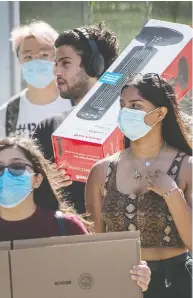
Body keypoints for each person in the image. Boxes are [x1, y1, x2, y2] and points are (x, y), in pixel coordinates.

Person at [85, 73, 192, 298]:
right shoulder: (101, 171)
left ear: (161, 113)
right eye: (122, 105)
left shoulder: (186, 166)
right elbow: (93, 246)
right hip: (122, 280)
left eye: (136, 105)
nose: (126, 112)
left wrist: (172, 194)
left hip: (177, 282)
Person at [0, 137, 151, 293]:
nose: (6, 175)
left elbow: (97, 281)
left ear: (37, 180)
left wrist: (135, 276)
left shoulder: (66, 228)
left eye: (17, 167)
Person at [33, 22, 119, 213]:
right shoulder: (48, 128)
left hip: (124, 238)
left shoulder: (128, 123)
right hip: (70, 237)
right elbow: (29, 194)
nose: (57, 72)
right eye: (56, 64)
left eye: (65, 63)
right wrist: (45, 185)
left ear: (94, 65)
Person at [0, 21, 73, 139]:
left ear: (57, 57)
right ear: (19, 61)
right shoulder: (7, 115)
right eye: (28, 57)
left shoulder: (76, 104)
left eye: (44, 55)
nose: (36, 62)